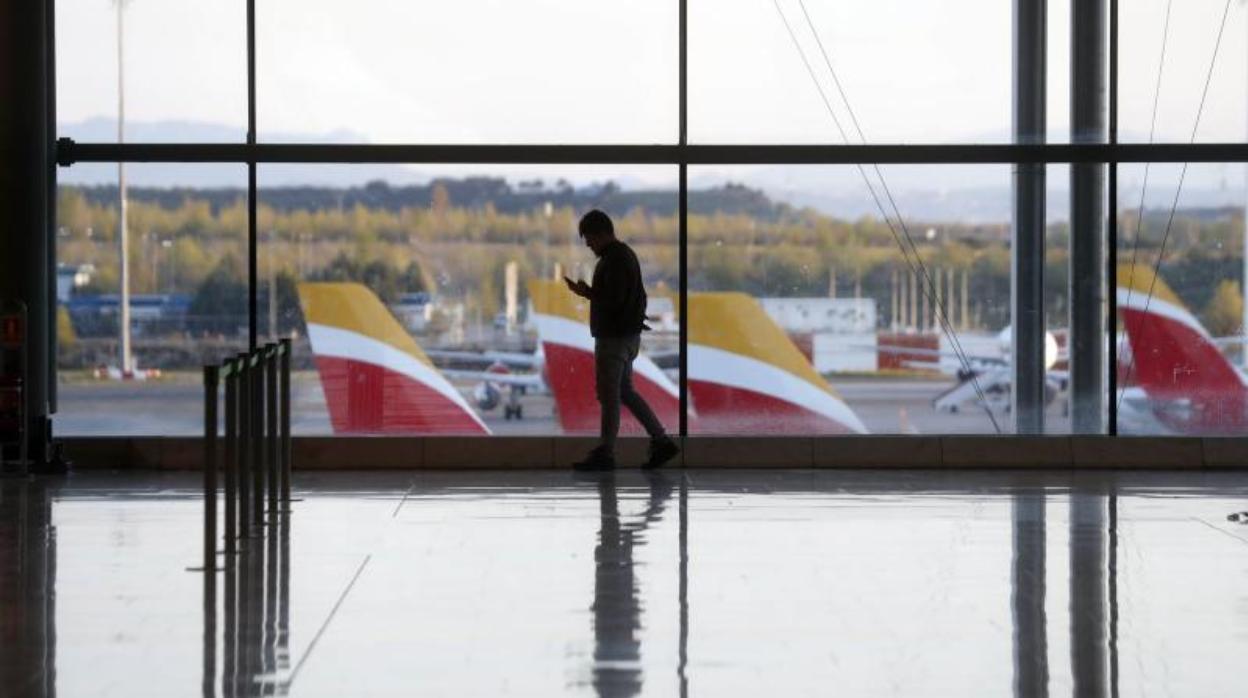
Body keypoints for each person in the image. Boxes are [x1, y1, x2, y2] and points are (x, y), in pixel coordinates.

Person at [564, 210, 679, 470]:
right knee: (625, 392)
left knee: (609, 396)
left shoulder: (614, 259)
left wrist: (587, 293)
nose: (588, 245)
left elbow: (613, 300)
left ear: (603, 233)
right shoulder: (625, 256)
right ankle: (661, 441)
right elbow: (629, 298)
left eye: (590, 239)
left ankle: (606, 452)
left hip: (613, 338)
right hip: (628, 336)